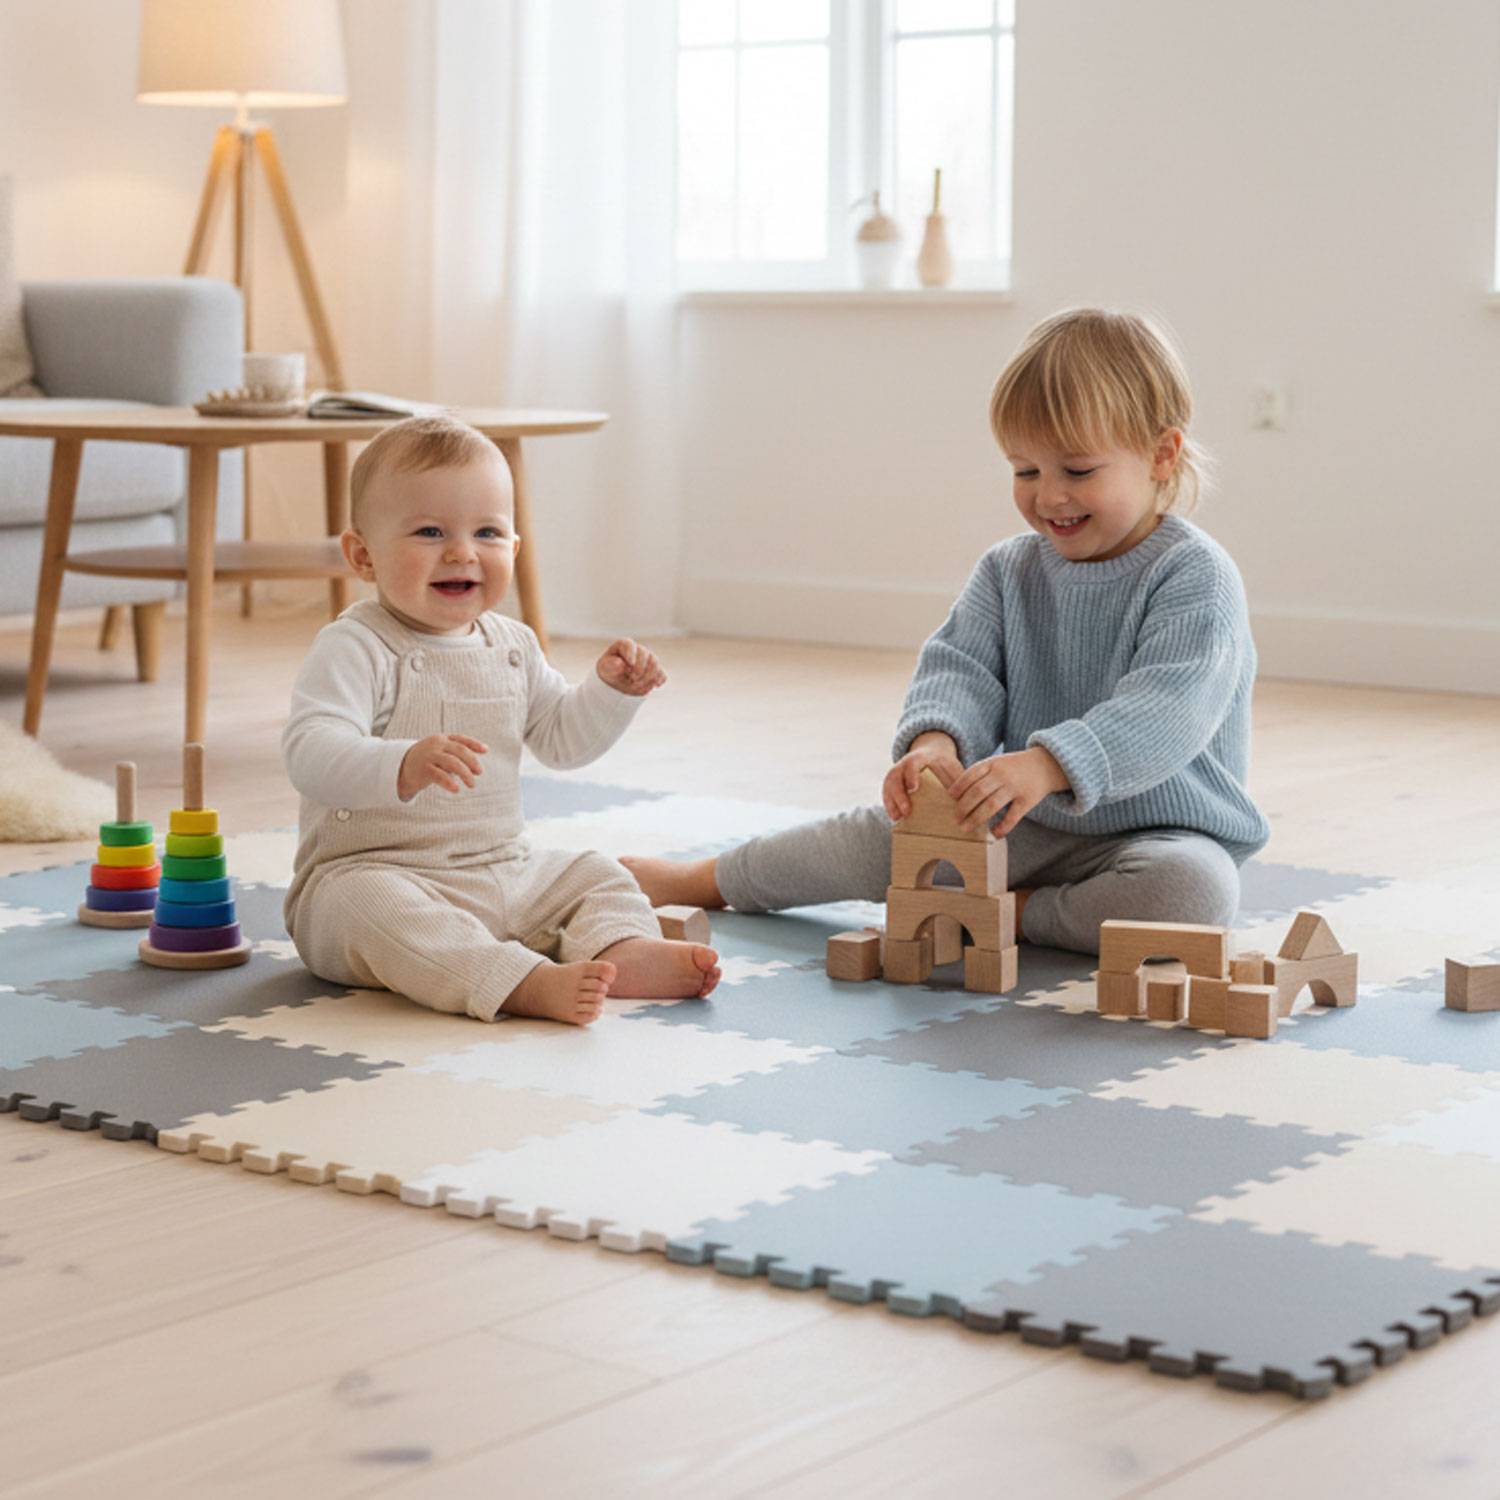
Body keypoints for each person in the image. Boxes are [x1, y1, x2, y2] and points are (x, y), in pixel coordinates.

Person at [626, 308, 1270, 955]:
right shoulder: (1007, 569)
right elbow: (959, 667)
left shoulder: (1196, 576)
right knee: (883, 837)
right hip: (1018, 822)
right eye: (1025, 472)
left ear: (1162, 455)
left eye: (1077, 472)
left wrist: (1048, 765)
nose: (1049, 497)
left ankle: (1013, 916)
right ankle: (707, 879)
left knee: (1193, 894)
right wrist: (936, 744)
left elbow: (1166, 711)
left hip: (1158, 834)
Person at [282, 414, 720, 1026]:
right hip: (376, 872)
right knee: (364, 908)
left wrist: (610, 693)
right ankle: (519, 981)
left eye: (487, 532)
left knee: (597, 871)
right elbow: (310, 750)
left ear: (514, 548)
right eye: (430, 531)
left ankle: (620, 948)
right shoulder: (356, 645)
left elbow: (563, 741)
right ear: (363, 556)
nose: (463, 552)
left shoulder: (511, 645)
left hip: (504, 873)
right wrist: (400, 763)